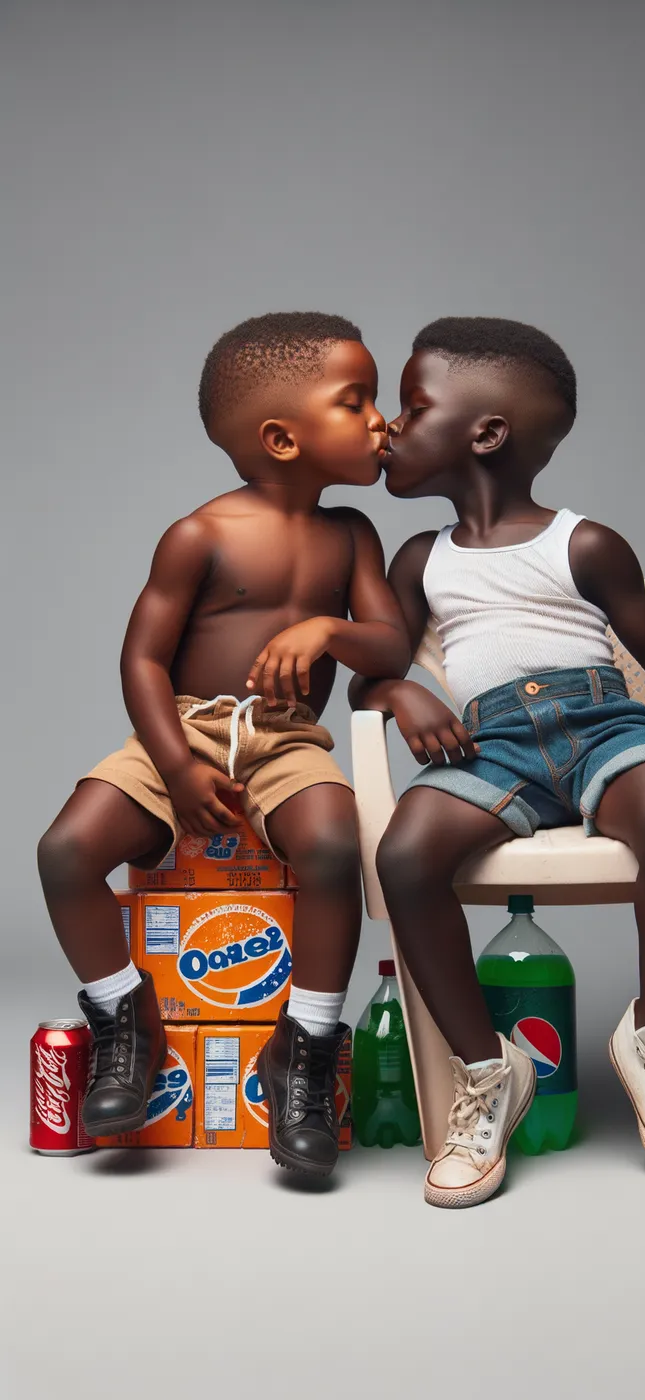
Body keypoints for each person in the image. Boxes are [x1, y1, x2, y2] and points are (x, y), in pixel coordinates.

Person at [350, 316, 645, 1207]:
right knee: (404, 852)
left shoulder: (583, 543)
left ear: (485, 434)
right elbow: (372, 671)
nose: (389, 424)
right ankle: (485, 1069)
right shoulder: (420, 559)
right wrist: (399, 693)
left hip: (601, 726)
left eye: (412, 405)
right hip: (488, 744)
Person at [38, 311, 409, 1178]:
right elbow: (142, 657)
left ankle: (305, 1046)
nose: (380, 420)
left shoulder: (352, 535)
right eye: (356, 402)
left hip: (284, 739)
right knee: (65, 851)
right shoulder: (199, 535)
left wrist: (328, 628)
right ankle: (126, 1017)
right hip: (183, 725)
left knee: (331, 845)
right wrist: (173, 761)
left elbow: (387, 646)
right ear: (282, 437)